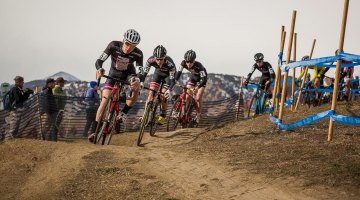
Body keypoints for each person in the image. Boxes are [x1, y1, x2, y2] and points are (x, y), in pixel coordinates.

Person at [89, 29, 143, 142]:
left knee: (136, 87)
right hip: (113, 74)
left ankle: (124, 113)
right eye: (127, 44)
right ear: (123, 40)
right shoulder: (113, 45)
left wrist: (137, 80)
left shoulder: (138, 53)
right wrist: (99, 69)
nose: (128, 47)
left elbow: (140, 72)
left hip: (128, 75)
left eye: (132, 46)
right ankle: (95, 130)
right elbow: (99, 60)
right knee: (104, 101)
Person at [142, 45, 176, 125]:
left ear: (164, 57)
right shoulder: (150, 60)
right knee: (151, 93)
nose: (159, 61)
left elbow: (172, 81)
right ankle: (145, 115)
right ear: (154, 57)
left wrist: (169, 90)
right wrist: (141, 81)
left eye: (161, 59)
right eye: (157, 59)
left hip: (168, 76)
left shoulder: (170, 64)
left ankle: (163, 114)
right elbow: (144, 73)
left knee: (163, 95)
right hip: (158, 74)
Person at [175, 49, 207, 123]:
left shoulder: (199, 66)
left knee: (198, 98)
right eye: (187, 62)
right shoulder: (183, 63)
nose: (189, 64)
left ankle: (198, 115)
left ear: (194, 60)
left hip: (201, 80)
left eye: (191, 62)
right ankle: (183, 113)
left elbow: (204, 79)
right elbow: (179, 72)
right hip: (193, 78)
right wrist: (175, 80)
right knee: (187, 95)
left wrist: (197, 88)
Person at [4, 76, 34, 140]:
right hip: (15, 110)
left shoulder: (18, 89)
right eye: (22, 81)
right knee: (14, 125)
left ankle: (12, 139)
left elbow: (22, 98)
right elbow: (19, 99)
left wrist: (27, 93)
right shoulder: (15, 89)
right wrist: (27, 93)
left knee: (16, 125)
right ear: (19, 82)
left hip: (17, 110)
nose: (23, 83)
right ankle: (9, 140)